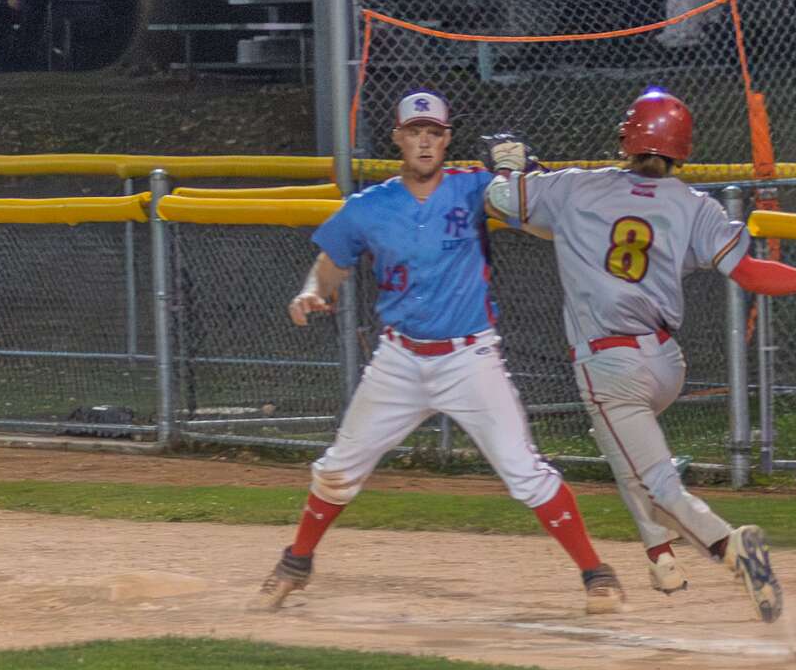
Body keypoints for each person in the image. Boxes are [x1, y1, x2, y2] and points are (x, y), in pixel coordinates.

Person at [482, 90, 796, 622]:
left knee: (656, 480)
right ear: (682, 149)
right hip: (665, 361)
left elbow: (501, 201)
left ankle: (728, 545)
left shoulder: (574, 187)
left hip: (609, 365)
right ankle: (661, 556)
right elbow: (750, 273)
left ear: (626, 139)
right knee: (626, 451)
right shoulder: (695, 205)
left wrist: (508, 167)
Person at [255, 89, 624, 615]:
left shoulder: (475, 188)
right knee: (336, 471)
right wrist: (312, 290)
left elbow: (542, 220)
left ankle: (596, 574)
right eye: (415, 132)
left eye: (434, 133)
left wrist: (521, 172)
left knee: (524, 470)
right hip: (398, 360)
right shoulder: (370, 206)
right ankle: (296, 561)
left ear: (447, 140)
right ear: (398, 138)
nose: (424, 142)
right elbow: (331, 262)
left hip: (469, 358)